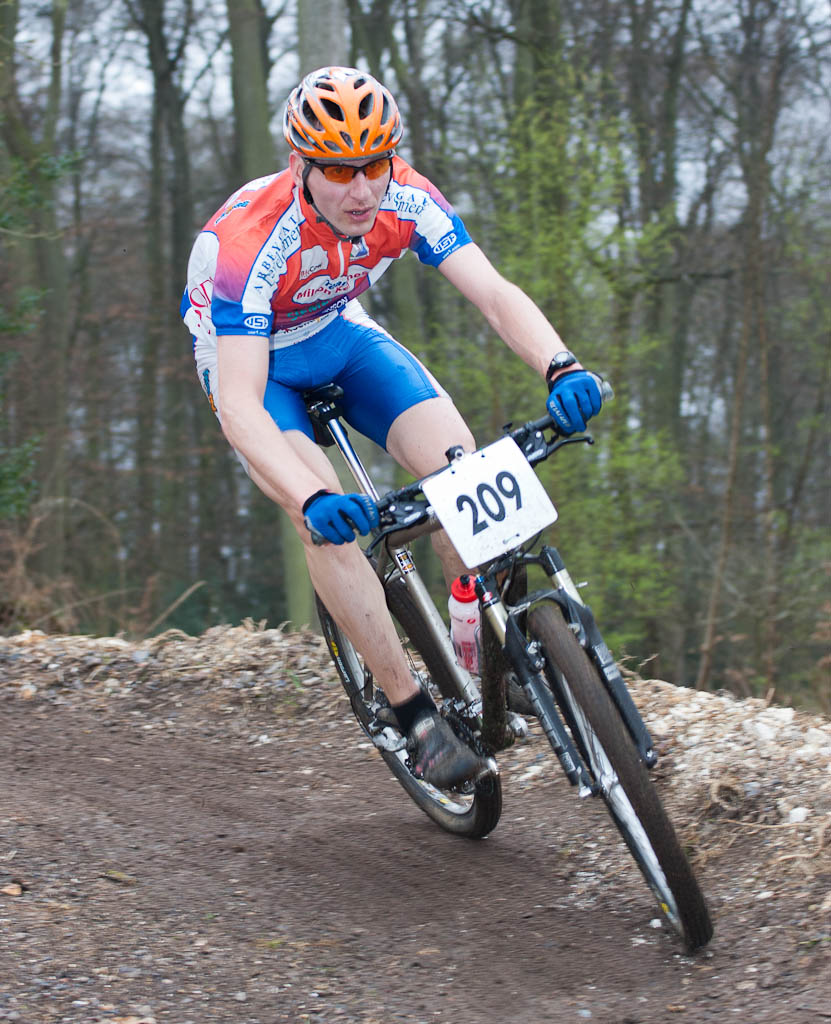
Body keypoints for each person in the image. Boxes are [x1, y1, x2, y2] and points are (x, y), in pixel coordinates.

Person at [181, 66, 603, 789]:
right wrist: (312, 500)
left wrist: (559, 365)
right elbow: (241, 404)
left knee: (460, 467)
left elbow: (494, 295)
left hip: (337, 331)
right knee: (322, 519)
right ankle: (411, 716)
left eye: (372, 164)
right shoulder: (250, 242)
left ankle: (480, 639)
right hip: (253, 364)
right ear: (301, 166)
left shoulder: (406, 197)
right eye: (340, 170)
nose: (361, 188)